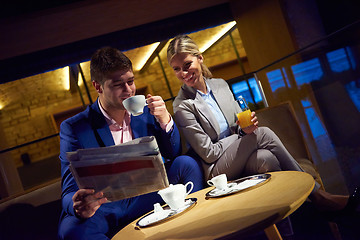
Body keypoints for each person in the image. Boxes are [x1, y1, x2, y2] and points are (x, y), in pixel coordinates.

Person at [166, 34, 359, 215]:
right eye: (176, 69)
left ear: (200, 58)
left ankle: (293, 221)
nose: (183, 73)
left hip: (244, 153)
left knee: (266, 159)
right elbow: (209, 153)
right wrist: (242, 134)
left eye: (187, 64)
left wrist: (244, 128)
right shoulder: (182, 106)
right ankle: (319, 196)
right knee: (264, 133)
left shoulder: (220, 85)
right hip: (217, 168)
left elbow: (238, 122)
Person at [58, 46, 204, 240]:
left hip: (148, 194)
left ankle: (200, 227)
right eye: (118, 84)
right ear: (98, 86)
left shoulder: (146, 111)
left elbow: (174, 154)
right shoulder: (74, 127)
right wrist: (76, 206)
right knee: (70, 230)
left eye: (131, 81)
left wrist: (165, 121)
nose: (128, 90)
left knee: (186, 164)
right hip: (106, 206)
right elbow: (69, 190)